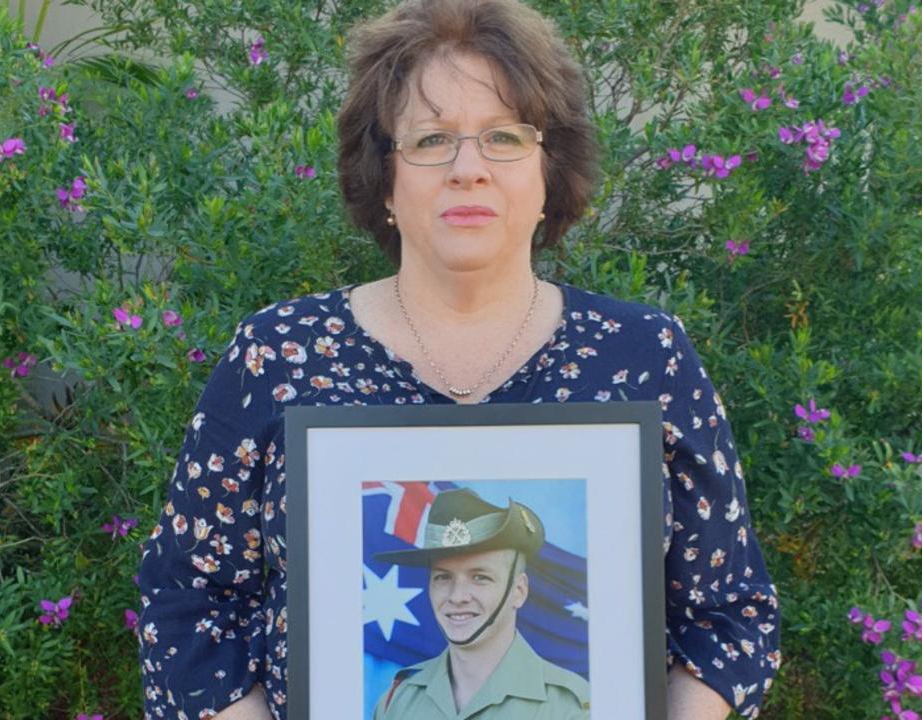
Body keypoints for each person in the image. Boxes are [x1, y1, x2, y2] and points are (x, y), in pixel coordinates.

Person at [136, 1, 781, 719]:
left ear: (548, 175)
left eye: (504, 137)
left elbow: (728, 616)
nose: (467, 168)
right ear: (383, 180)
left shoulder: (647, 358)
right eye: (431, 138)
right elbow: (189, 603)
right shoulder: (276, 356)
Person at [369, 488, 590, 719]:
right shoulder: (397, 704)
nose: (457, 596)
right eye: (443, 577)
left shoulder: (570, 707)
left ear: (519, 591)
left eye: (480, 578)